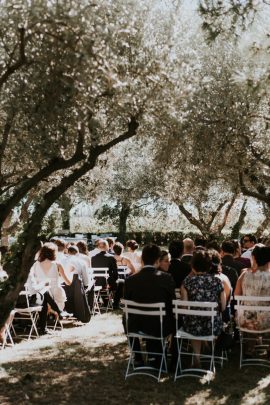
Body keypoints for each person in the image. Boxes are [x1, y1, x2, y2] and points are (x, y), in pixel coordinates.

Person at [123, 244, 176, 366]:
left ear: (142, 260)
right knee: (171, 318)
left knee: (125, 317)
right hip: (159, 325)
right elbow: (171, 303)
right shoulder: (166, 278)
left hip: (136, 325)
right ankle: (161, 356)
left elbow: (127, 304)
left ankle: (137, 356)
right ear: (158, 260)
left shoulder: (130, 280)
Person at [181, 250, 226, 366]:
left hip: (192, 326)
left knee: (194, 322)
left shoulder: (187, 281)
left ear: (193, 266)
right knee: (212, 321)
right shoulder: (217, 281)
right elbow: (224, 306)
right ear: (209, 265)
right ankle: (209, 352)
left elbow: (185, 306)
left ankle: (197, 356)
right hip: (211, 326)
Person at [27, 243, 71, 334]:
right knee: (53, 294)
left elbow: (33, 281)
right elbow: (68, 282)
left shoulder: (35, 264)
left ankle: (44, 326)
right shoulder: (57, 264)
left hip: (41, 295)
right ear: (54, 253)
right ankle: (58, 313)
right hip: (55, 293)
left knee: (44, 297)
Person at [235, 245, 270, 332]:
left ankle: (250, 344)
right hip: (266, 323)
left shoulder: (244, 275)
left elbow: (236, 295)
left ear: (253, 258)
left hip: (244, 321)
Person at [91, 239, 120, 309]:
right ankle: (115, 304)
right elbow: (115, 272)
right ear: (107, 247)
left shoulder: (93, 258)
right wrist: (115, 279)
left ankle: (105, 302)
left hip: (97, 282)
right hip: (108, 282)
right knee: (120, 283)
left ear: (98, 247)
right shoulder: (111, 257)